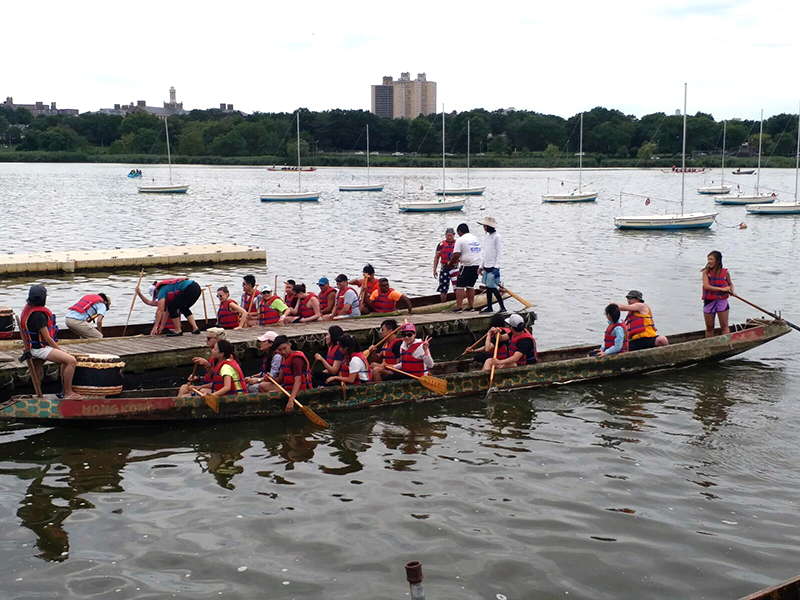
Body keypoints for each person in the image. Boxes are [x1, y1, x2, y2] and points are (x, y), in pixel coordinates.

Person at [20, 284, 81, 399]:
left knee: (63, 360)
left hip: (32, 347)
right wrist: (61, 350)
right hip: (39, 349)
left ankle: (40, 396)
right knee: (71, 361)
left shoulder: (28, 309)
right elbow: (47, 338)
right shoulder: (39, 315)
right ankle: (68, 393)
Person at [137, 277, 202, 336]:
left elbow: (160, 310)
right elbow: (165, 310)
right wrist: (161, 327)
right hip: (196, 287)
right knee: (183, 308)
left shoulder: (161, 290)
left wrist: (155, 327)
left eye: (156, 295)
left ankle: (178, 331)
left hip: (190, 288)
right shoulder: (169, 292)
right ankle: (195, 329)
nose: (157, 297)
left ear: (156, 290)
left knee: (172, 308)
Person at [177, 327, 227, 397]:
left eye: (209, 338)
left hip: (215, 389)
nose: (206, 340)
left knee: (190, 394)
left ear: (217, 340)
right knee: (184, 387)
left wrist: (207, 365)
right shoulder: (214, 356)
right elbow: (213, 377)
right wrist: (199, 378)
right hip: (209, 386)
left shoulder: (222, 359)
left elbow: (218, 380)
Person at [448, 223, 482, 312]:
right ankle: (470, 306)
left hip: (467, 264)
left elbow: (456, 254)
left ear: (459, 231)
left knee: (460, 286)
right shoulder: (475, 238)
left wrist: (450, 264)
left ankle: (459, 307)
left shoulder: (460, 240)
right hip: (477, 264)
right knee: (470, 286)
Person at [273, 337, 313, 412]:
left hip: (300, 389)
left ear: (289, 345)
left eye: (284, 348)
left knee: (270, 393)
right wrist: (266, 378)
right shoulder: (284, 358)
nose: (283, 352)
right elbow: (279, 379)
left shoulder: (296, 360)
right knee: (263, 386)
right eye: (280, 350)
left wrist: (291, 400)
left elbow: (298, 381)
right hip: (288, 387)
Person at [477, 216, 506, 313]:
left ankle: (502, 307)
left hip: (493, 266)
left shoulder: (497, 237)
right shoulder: (487, 237)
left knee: (493, 287)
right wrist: (481, 266)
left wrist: (496, 266)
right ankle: (489, 307)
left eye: (485, 226)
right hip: (487, 265)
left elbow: (499, 252)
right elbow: (486, 253)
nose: (484, 227)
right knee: (488, 288)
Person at [702, 250, 733, 338]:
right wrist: (721, 289)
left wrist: (731, 290)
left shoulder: (725, 272)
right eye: (708, 259)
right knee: (709, 327)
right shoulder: (706, 272)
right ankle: (709, 346)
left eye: (711, 259)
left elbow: (730, 284)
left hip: (722, 301)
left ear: (717, 260)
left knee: (724, 327)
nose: (709, 262)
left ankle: (728, 344)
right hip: (709, 301)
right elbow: (706, 286)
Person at [433, 227, 458, 302]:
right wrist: (434, 270)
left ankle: (459, 303)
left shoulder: (457, 244)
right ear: (445, 235)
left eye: (451, 235)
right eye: (447, 235)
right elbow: (437, 257)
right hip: (444, 269)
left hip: (455, 268)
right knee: (443, 288)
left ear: (454, 235)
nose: (449, 237)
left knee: (457, 287)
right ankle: (443, 304)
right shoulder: (441, 245)